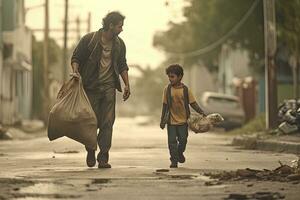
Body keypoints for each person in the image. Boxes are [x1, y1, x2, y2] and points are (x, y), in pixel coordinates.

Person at [71, 11, 130, 168]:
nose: (121, 29)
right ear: (110, 25)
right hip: (90, 88)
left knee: (107, 123)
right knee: (91, 122)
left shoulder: (119, 44)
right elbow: (76, 57)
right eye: (120, 26)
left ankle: (103, 156)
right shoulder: (89, 40)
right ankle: (90, 150)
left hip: (109, 88)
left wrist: (126, 85)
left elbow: (123, 65)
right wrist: (76, 71)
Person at [160, 64, 206, 168]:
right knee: (171, 142)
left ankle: (180, 153)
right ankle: (174, 161)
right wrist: (162, 120)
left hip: (184, 121)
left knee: (183, 140)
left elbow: (193, 103)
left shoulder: (185, 90)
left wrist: (201, 112)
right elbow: (165, 105)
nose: (170, 79)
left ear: (180, 76)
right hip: (171, 121)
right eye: (169, 77)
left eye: (172, 76)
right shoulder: (167, 89)